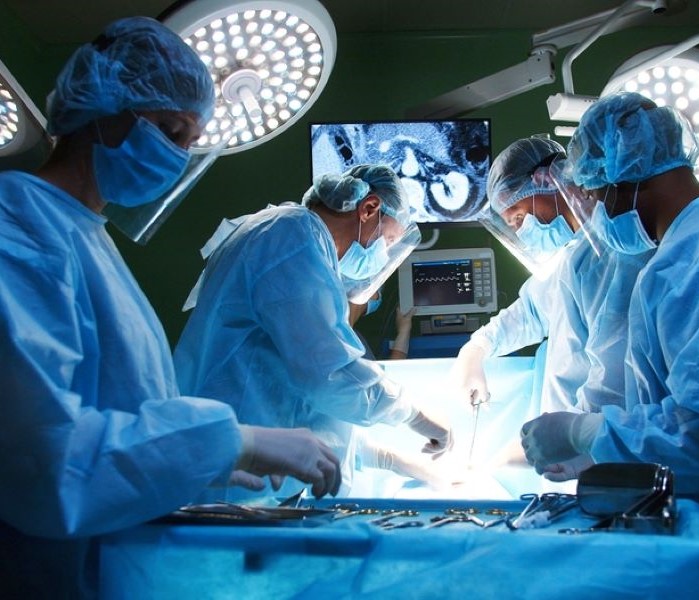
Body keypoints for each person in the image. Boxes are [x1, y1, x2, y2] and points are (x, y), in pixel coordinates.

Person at [0, 17, 342, 598]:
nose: (177, 155)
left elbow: (119, 406)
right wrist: (232, 440)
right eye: (168, 129)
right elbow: (43, 462)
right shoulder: (20, 226)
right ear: (101, 106)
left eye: (188, 141)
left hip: (104, 560)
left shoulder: (86, 235)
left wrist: (198, 463)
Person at [521, 91, 699, 568]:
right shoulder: (694, 243)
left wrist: (587, 431)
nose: (597, 212)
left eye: (595, 195)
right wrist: (606, 451)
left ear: (624, 179)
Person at [173, 164, 454, 501]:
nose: (382, 255)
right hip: (234, 485)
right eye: (388, 240)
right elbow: (328, 376)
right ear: (369, 209)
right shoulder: (292, 238)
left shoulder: (289, 236)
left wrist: (389, 459)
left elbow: (305, 407)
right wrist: (413, 414)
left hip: (242, 466)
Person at [451, 136, 654, 479]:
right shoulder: (573, 253)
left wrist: (565, 438)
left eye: (518, 218)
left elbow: (613, 382)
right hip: (572, 450)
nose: (522, 232)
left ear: (547, 182)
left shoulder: (609, 257)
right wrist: (477, 348)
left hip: (598, 453)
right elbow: (531, 311)